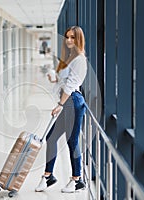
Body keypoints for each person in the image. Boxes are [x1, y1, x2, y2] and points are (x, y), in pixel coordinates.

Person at [35, 26, 87, 193]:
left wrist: (60, 105)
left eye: (73, 37)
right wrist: (54, 77)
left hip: (72, 101)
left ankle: (76, 180)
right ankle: (48, 176)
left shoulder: (80, 59)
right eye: (67, 37)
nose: (69, 40)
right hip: (67, 101)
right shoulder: (71, 57)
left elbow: (71, 85)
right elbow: (64, 80)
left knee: (72, 140)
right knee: (52, 138)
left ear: (79, 39)